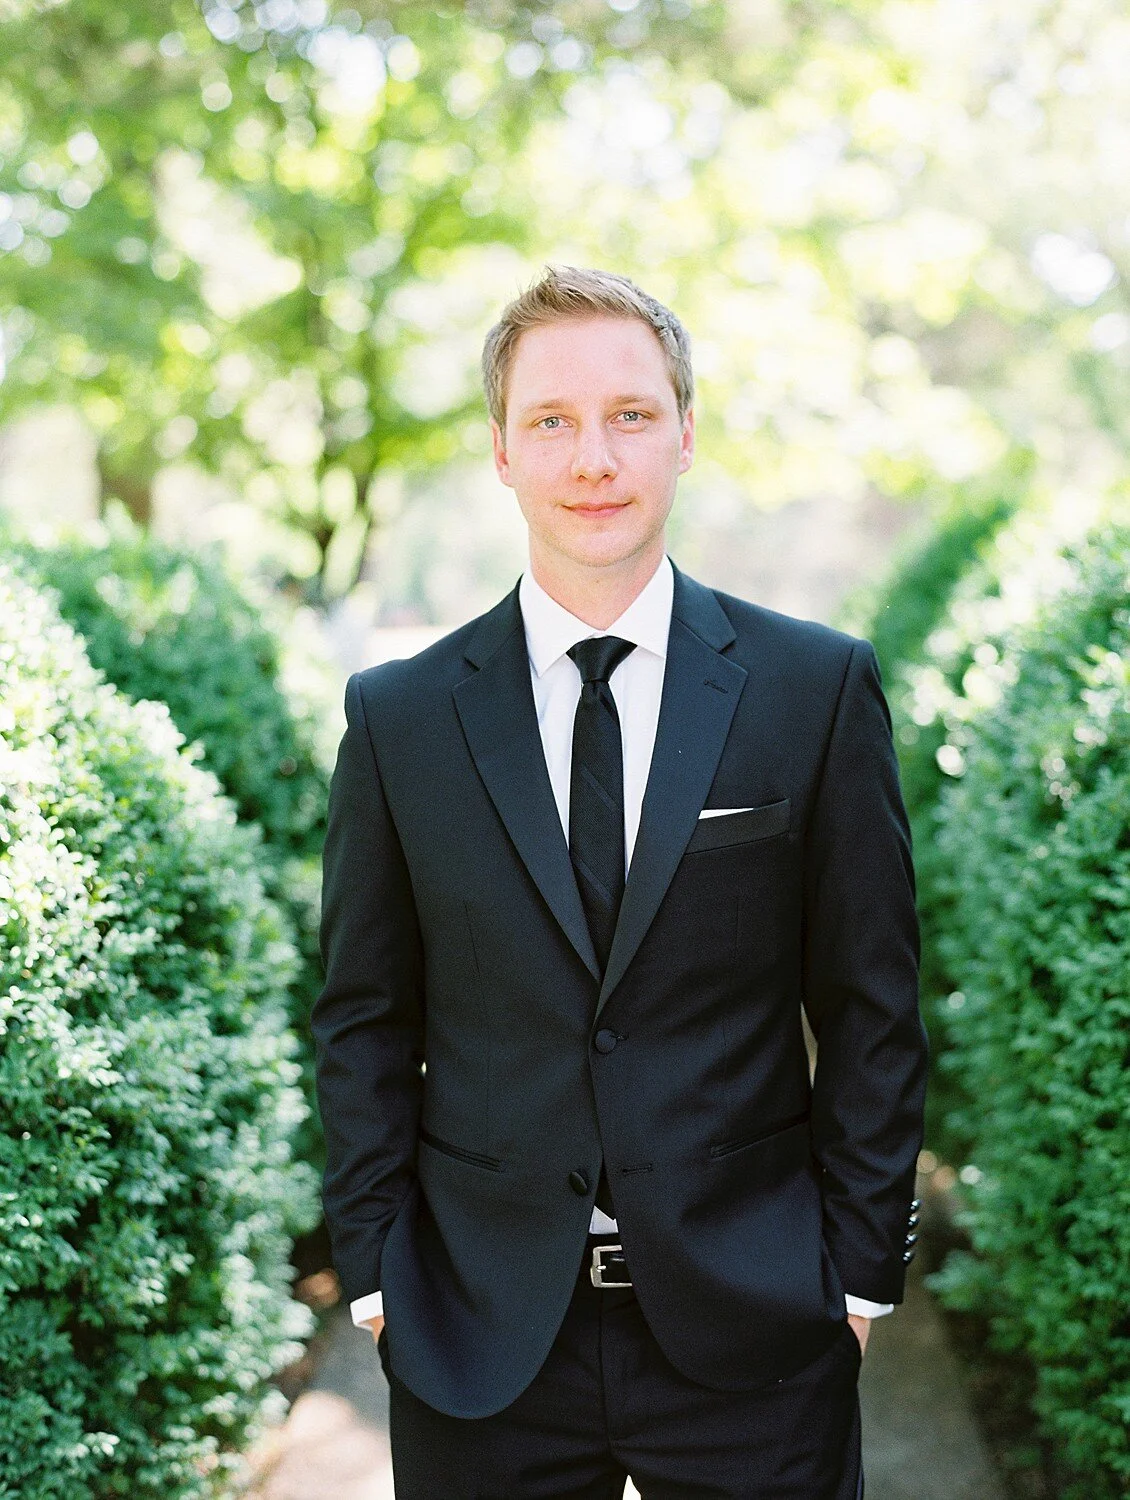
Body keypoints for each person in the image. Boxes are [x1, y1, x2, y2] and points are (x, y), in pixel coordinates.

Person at [312, 265, 927, 1499]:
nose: (592, 456)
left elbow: (870, 1008)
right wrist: (377, 1278)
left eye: (629, 415)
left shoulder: (812, 691)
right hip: (478, 1336)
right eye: (550, 420)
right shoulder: (400, 717)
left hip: (757, 1328)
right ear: (501, 452)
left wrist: (855, 1280)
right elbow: (362, 1016)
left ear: (684, 437)